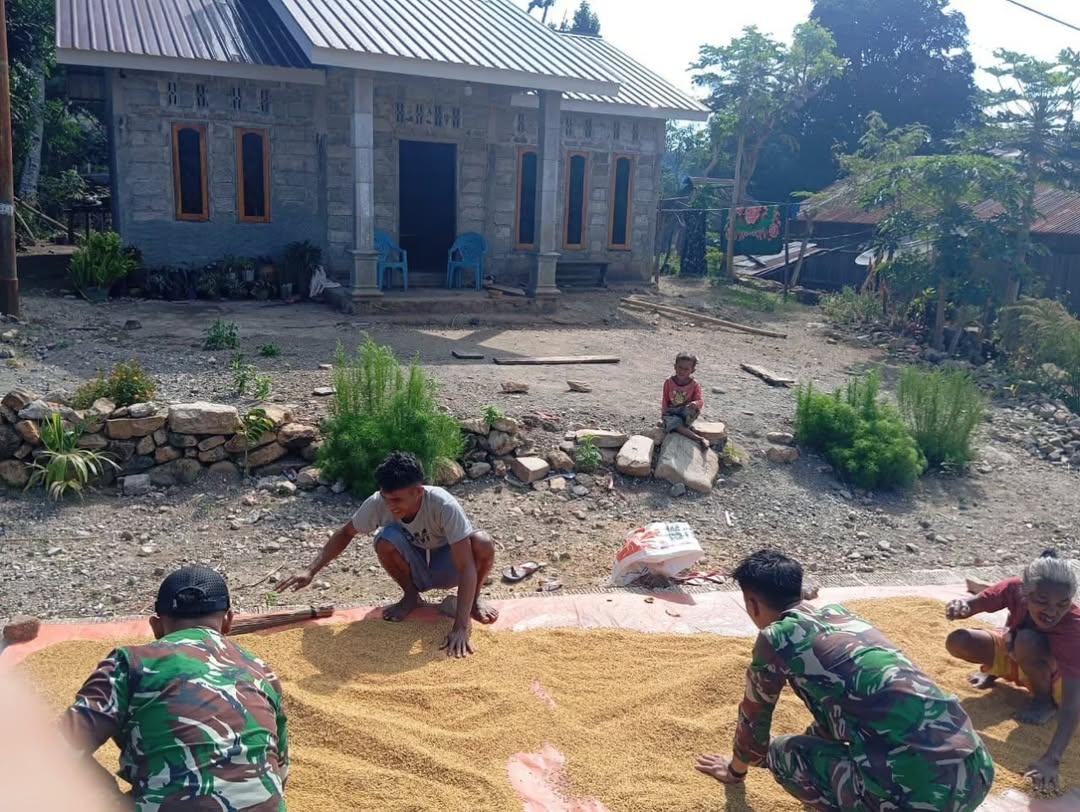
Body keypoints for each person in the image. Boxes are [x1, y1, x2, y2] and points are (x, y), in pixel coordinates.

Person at [696, 549, 994, 812]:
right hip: (976, 774)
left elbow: (754, 722)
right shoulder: (842, 617)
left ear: (752, 605)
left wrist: (735, 771)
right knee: (831, 733)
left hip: (922, 798)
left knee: (783, 751)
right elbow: (840, 709)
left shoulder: (777, 638)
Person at [59, 566, 289, 811]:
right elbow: (280, 770)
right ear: (229, 621)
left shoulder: (130, 664)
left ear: (156, 626)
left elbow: (54, 752)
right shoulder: (261, 671)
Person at [279, 451, 497, 658]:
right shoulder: (378, 503)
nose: (390, 506)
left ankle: (474, 599)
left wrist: (460, 628)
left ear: (418, 492)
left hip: (448, 565)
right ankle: (411, 596)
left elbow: (466, 566)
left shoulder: (444, 505)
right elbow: (345, 533)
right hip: (416, 564)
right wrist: (310, 570)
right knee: (385, 539)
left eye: (397, 500)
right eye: (386, 498)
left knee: (482, 542)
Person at [946, 549, 1080, 794]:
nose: (1052, 611)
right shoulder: (1013, 590)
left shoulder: (1074, 628)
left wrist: (1052, 759)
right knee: (960, 640)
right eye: (1042, 601)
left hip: (1060, 682)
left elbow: (1073, 699)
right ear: (1025, 593)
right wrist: (960, 606)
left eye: (1062, 604)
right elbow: (974, 604)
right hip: (1021, 657)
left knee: (1027, 640)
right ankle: (1007, 671)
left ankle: (1044, 701)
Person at [662, 352, 709, 450]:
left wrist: (695, 403)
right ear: (675, 367)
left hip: (685, 411)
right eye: (680, 367)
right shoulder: (669, 382)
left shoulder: (694, 384)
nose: (682, 371)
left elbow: (700, 401)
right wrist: (664, 413)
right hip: (672, 411)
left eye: (686, 369)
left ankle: (681, 426)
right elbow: (665, 399)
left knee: (691, 411)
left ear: (692, 370)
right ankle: (698, 438)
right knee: (672, 421)